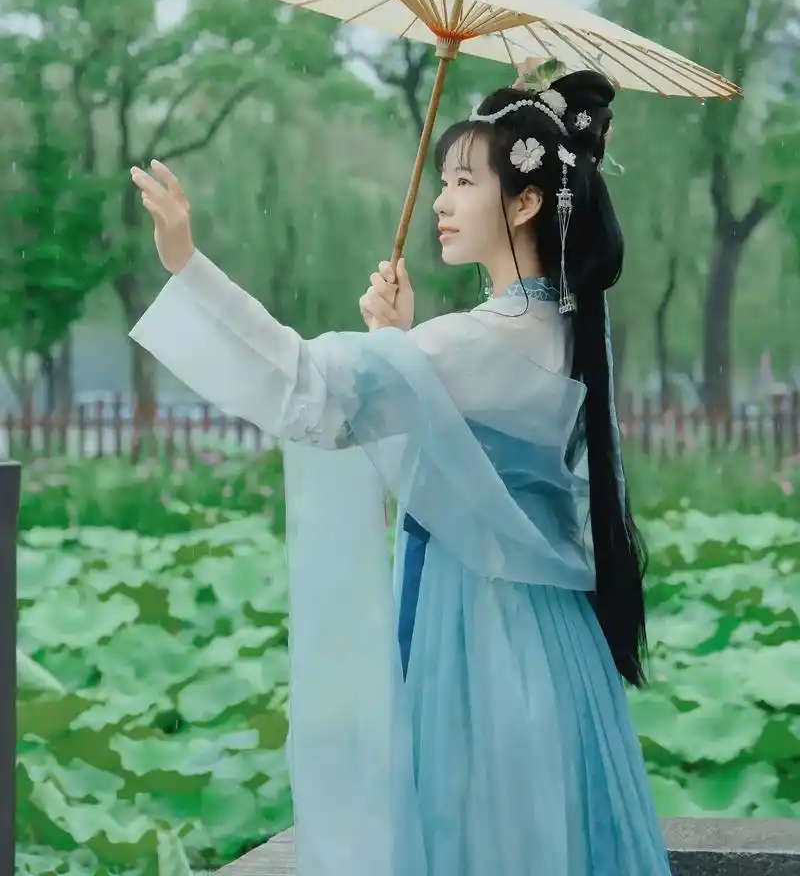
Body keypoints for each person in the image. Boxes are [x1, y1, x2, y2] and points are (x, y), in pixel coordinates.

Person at [130, 67, 671, 876]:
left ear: (526, 202)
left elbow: (309, 390)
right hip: (558, 643)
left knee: (478, 839)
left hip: (481, 633)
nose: (442, 203)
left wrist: (190, 268)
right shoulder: (566, 326)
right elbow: (471, 447)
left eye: (465, 182)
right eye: (443, 181)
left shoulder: (475, 339)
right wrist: (401, 348)